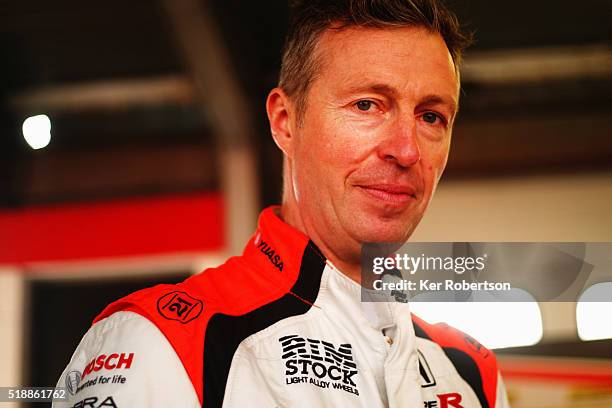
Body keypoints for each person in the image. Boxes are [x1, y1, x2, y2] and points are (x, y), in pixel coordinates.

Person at [55, 1, 510, 407]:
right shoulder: (164, 343)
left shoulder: (471, 373)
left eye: (431, 116)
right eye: (367, 105)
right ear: (285, 122)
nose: (406, 150)